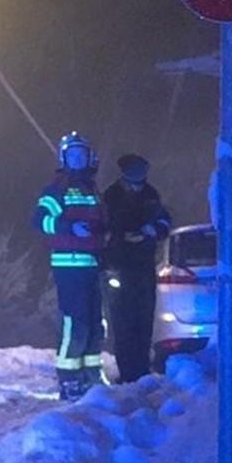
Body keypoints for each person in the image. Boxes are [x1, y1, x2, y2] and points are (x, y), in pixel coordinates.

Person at [36, 131, 108, 399]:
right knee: (74, 321)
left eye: (82, 154)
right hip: (69, 265)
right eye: (73, 154)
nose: (78, 159)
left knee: (93, 322)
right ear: (64, 158)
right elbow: (40, 220)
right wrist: (69, 227)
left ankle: (90, 375)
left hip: (91, 264)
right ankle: (68, 380)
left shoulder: (92, 190)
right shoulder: (57, 189)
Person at [101, 153, 172, 383]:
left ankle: (142, 369)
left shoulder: (150, 194)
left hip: (143, 266)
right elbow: (103, 227)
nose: (138, 179)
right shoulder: (111, 196)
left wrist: (153, 230)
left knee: (143, 317)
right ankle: (127, 369)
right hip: (119, 266)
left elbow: (165, 221)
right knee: (122, 319)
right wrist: (122, 238)